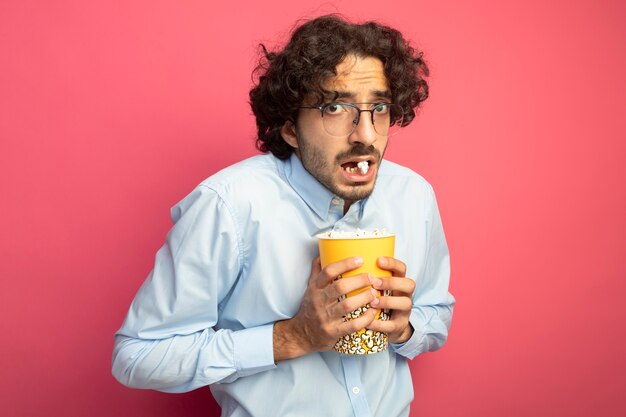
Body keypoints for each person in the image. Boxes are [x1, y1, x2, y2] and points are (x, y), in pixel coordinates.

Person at [112, 14, 455, 417]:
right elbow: (136, 356)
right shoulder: (229, 205)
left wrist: (405, 329)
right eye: (334, 107)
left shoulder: (413, 196)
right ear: (290, 128)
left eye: (378, 107)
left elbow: (437, 312)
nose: (365, 134)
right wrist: (292, 336)